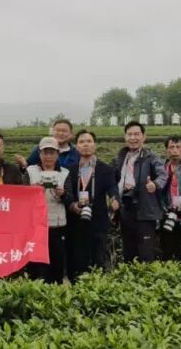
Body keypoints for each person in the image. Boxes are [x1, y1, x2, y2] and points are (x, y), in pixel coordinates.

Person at [64, 130, 117, 279]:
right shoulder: (70, 170)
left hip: (98, 221)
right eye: (82, 142)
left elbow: (112, 188)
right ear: (76, 146)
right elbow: (67, 193)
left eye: (89, 141)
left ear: (94, 144)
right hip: (76, 221)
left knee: (98, 260)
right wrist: (72, 205)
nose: (85, 145)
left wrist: (115, 200)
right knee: (77, 261)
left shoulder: (106, 169)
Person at [111, 121, 167, 263]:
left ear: (144, 137)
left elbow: (163, 175)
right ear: (125, 137)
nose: (133, 138)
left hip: (145, 210)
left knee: (146, 253)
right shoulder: (120, 158)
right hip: (125, 209)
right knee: (128, 252)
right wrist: (113, 196)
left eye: (136, 134)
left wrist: (155, 184)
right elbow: (111, 180)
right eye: (129, 134)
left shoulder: (151, 156)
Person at [25, 137, 70, 283]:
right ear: (39, 154)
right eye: (45, 152)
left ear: (57, 154)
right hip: (36, 226)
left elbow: (70, 199)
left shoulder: (65, 173)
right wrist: (32, 191)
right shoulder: (30, 171)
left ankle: (56, 289)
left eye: (52, 152)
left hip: (57, 225)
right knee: (37, 264)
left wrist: (63, 194)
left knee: (57, 262)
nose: (48, 156)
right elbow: (21, 196)